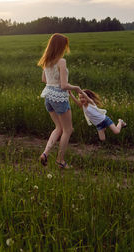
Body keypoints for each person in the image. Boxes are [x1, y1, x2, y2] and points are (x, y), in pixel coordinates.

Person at [37, 33, 90, 168]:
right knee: (68, 129)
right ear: (60, 47)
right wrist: (77, 88)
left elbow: (44, 80)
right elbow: (64, 85)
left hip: (48, 96)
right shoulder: (61, 61)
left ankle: (45, 154)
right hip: (59, 98)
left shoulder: (46, 61)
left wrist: (55, 82)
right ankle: (60, 160)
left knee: (58, 128)